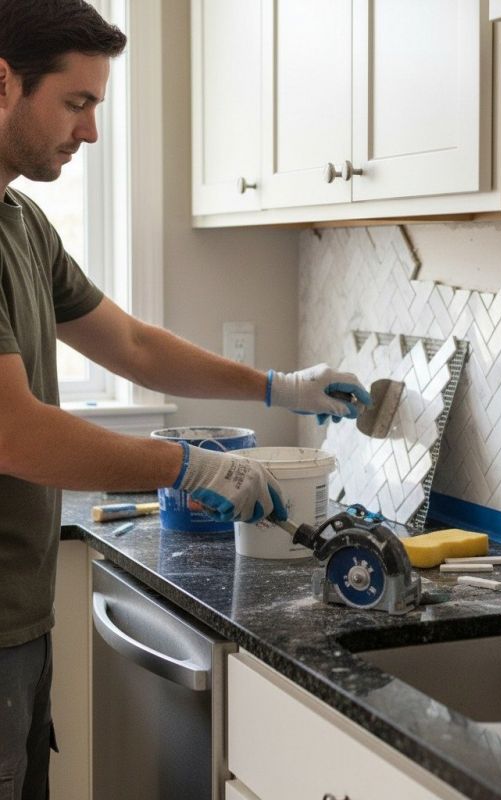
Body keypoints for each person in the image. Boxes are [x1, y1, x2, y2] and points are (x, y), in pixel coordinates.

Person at [0, 2, 371, 797]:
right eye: (75, 103)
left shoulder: (20, 223)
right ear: (3, 82)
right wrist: (190, 467)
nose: (90, 131)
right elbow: (16, 433)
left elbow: (132, 346)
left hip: (18, 619)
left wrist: (278, 386)